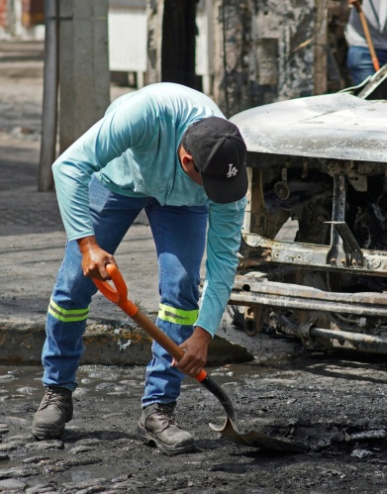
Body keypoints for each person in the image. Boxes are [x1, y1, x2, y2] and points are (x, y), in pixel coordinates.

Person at [32, 82, 248, 456]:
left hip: (182, 203)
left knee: (181, 288)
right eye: (210, 186)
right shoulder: (142, 114)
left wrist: (204, 333)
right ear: (187, 162)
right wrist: (88, 245)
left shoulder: (225, 173)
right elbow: (67, 166)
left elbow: (224, 259)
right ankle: (57, 390)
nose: (220, 196)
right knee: (73, 284)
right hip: (119, 182)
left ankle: (158, 409)